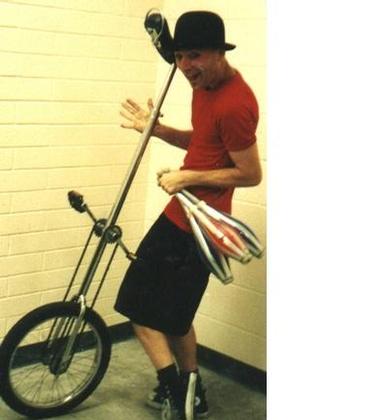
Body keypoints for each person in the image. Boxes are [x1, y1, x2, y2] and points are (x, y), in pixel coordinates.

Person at [114, 10, 262, 420]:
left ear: (219, 52)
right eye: (179, 56)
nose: (184, 66)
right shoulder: (204, 86)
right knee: (174, 317)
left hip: (200, 224)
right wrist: (157, 129)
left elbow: (250, 173)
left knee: (138, 308)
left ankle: (176, 390)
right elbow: (205, 141)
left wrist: (188, 177)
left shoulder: (235, 103)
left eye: (194, 55)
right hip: (182, 213)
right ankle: (193, 394)